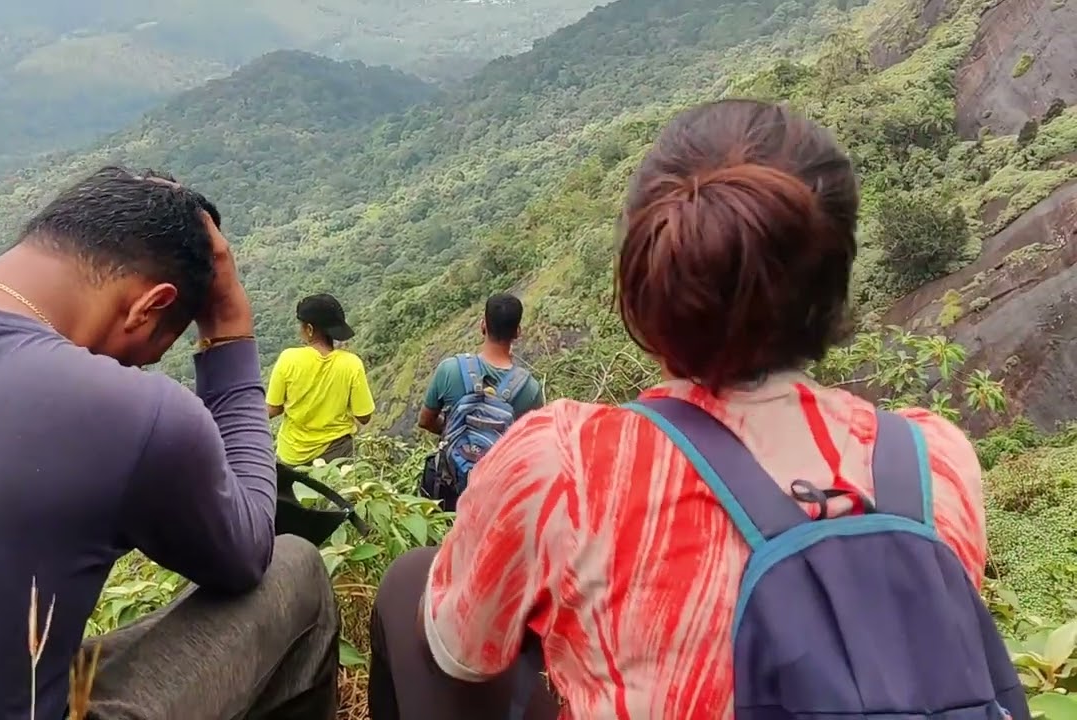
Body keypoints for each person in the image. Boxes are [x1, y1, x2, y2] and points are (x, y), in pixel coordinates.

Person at [368, 100, 1025, 720]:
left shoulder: (564, 466)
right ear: (835, 277)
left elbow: (461, 649)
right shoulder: (933, 460)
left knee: (410, 585)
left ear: (645, 280)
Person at [0, 167, 338, 720]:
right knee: (297, 573)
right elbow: (249, 550)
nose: (128, 367)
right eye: (144, 352)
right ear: (149, 305)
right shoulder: (133, 412)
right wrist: (228, 330)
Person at [266, 293, 375, 466]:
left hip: (292, 457)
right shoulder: (351, 364)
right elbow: (364, 417)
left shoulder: (288, 359)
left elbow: (273, 409)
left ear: (309, 329)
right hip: (338, 457)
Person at [417, 293, 544, 438]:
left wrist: (456, 431)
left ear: (483, 325)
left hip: (454, 459)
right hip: (500, 460)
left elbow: (425, 421)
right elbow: (533, 442)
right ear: (517, 332)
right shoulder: (530, 389)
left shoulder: (449, 370)